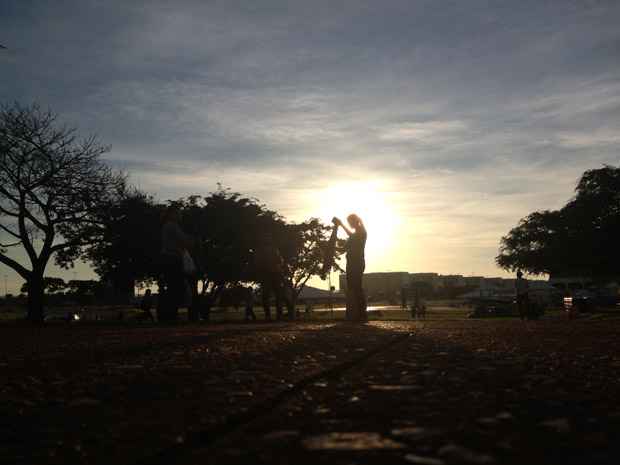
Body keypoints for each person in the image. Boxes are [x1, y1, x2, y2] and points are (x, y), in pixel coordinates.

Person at [159, 207, 193, 322]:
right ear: (172, 214)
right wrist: (193, 239)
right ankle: (171, 315)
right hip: (172, 258)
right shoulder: (172, 226)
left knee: (173, 286)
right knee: (176, 286)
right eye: (178, 213)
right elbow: (184, 239)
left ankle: (170, 315)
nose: (180, 215)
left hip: (167, 258)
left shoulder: (166, 226)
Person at [334, 214, 367, 321]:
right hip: (350, 264)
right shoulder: (352, 237)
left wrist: (341, 224)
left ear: (355, 221)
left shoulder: (362, 233)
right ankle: (353, 313)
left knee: (357, 287)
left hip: (357, 264)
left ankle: (361, 314)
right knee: (351, 288)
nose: (350, 224)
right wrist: (330, 246)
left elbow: (353, 234)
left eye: (350, 222)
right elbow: (342, 250)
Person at [254, 234, 290, 320]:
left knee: (269, 296)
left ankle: (270, 316)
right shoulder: (273, 250)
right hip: (272, 275)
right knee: (277, 295)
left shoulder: (263, 251)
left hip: (270, 275)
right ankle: (277, 315)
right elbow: (280, 261)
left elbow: (258, 263)